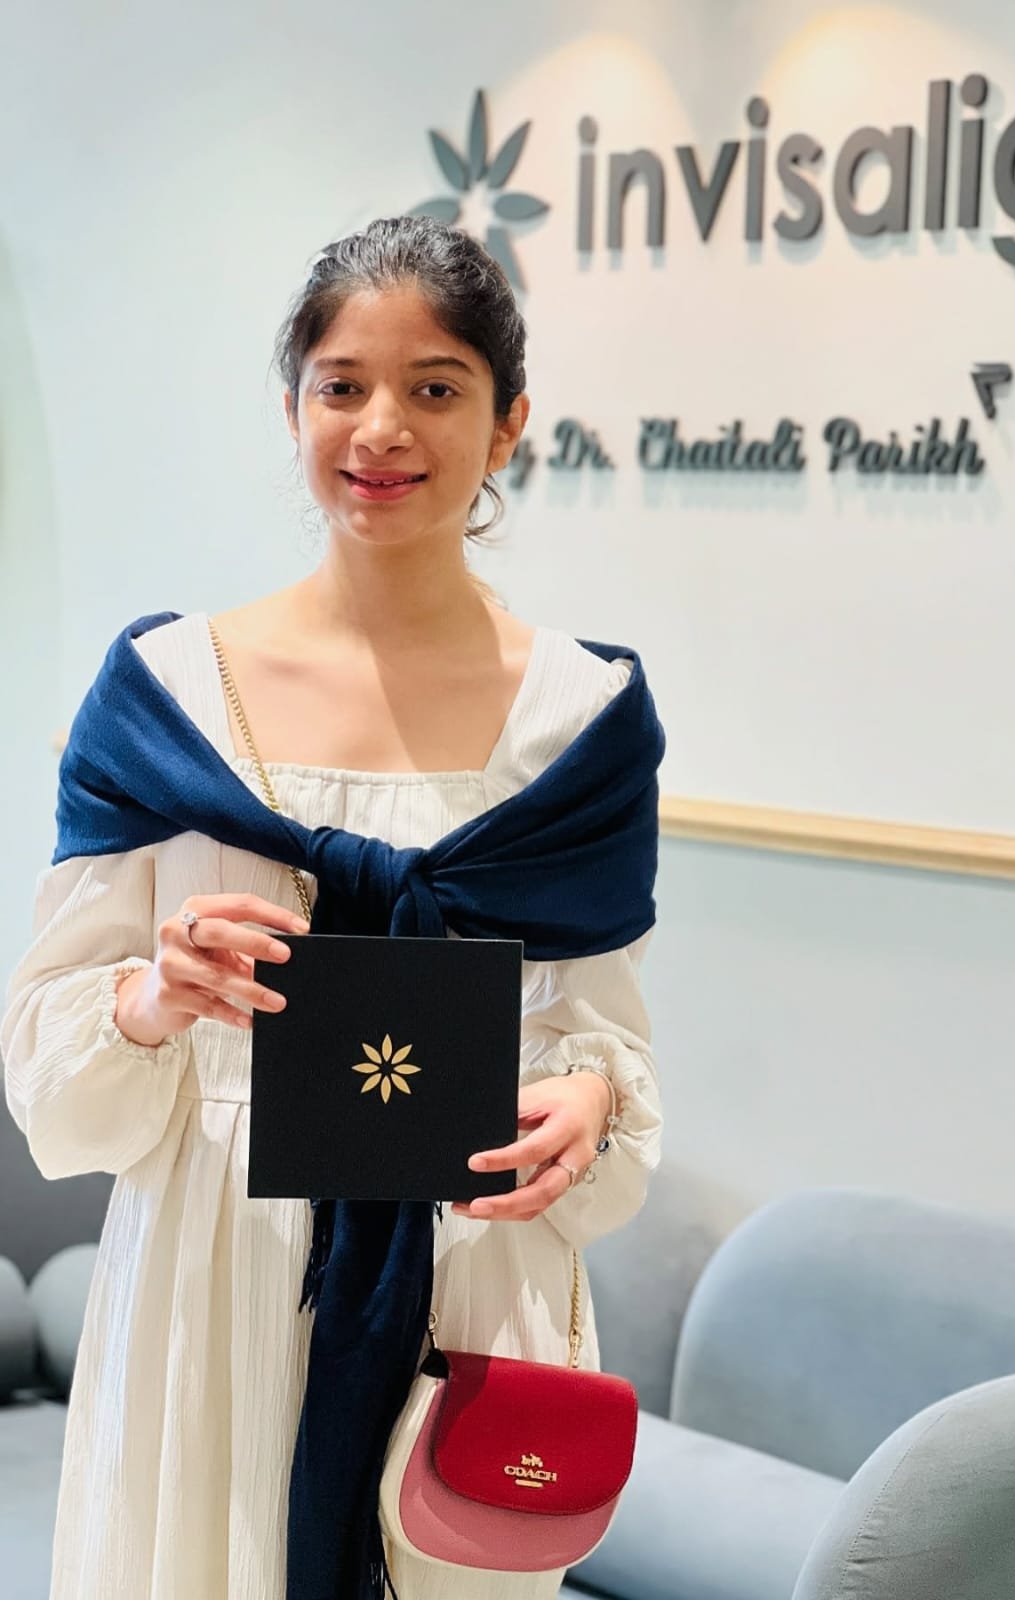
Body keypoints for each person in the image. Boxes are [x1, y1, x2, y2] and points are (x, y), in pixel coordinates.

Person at [1, 216, 663, 1600]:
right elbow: (48, 1039)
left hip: (467, 1284)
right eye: (342, 385)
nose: (382, 429)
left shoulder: (583, 724)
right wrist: (151, 997)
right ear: (294, 405)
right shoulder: (166, 701)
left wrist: (591, 1100)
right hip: (210, 1274)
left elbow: (601, 1032)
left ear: (509, 421)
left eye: (436, 387)